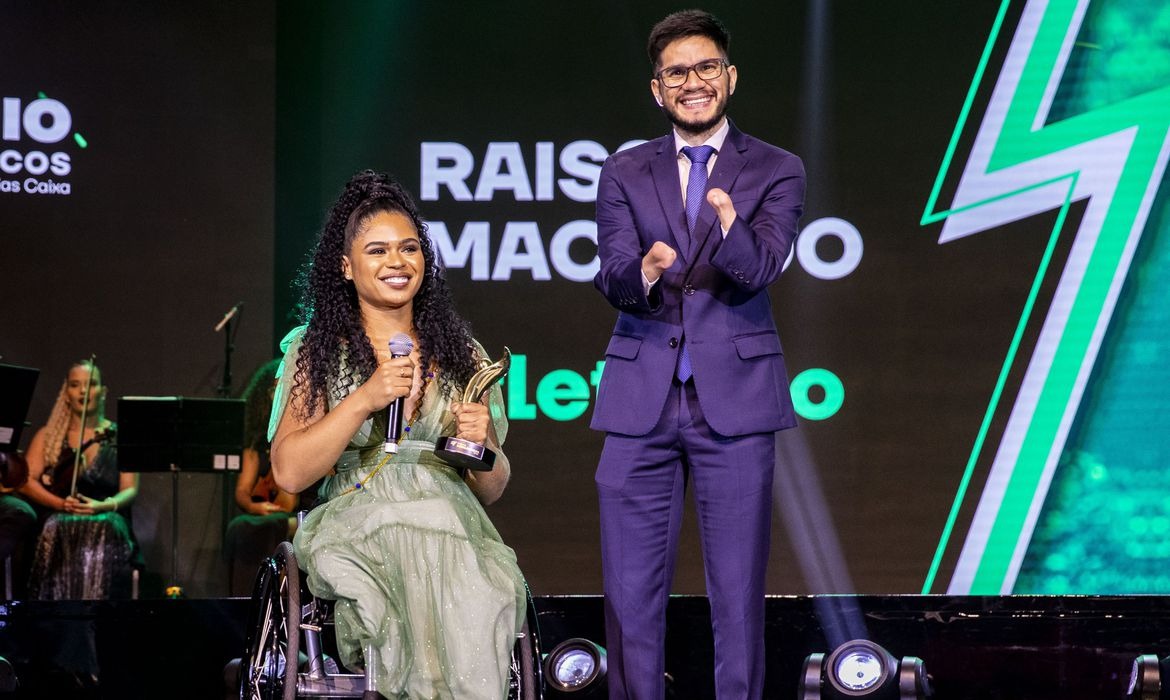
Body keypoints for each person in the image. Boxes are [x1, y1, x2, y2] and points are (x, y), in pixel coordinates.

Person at [591, 10, 806, 700]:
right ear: (658, 89)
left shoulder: (776, 167)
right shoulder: (624, 170)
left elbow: (763, 266)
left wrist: (729, 224)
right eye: (677, 72)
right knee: (629, 594)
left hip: (734, 407)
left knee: (738, 592)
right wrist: (649, 271)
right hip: (640, 401)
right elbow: (613, 274)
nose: (694, 82)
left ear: (730, 76)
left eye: (707, 67)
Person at [269, 170, 525, 699]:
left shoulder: (462, 354)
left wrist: (483, 448)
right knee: (381, 587)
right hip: (357, 517)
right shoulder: (315, 350)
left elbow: (494, 487)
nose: (396, 262)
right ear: (346, 267)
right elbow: (290, 472)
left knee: (484, 590)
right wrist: (365, 397)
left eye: (409, 248)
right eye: (378, 250)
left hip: (453, 523)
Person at [20, 359, 140, 600]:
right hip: (59, 517)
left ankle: (102, 610)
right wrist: (60, 504)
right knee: (54, 526)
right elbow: (26, 481)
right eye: (75, 385)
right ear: (66, 393)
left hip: (105, 515)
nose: (84, 391)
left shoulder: (120, 436)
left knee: (109, 526)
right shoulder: (48, 436)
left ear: (103, 392)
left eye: (91, 384)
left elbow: (129, 489)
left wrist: (103, 506)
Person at [223, 358, 299, 596]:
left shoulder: (306, 435)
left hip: (300, 513)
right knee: (241, 527)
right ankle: (245, 598)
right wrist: (257, 508)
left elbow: (290, 500)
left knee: (273, 525)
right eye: (276, 389)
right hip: (267, 513)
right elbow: (243, 492)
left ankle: (274, 597)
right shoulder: (257, 443)